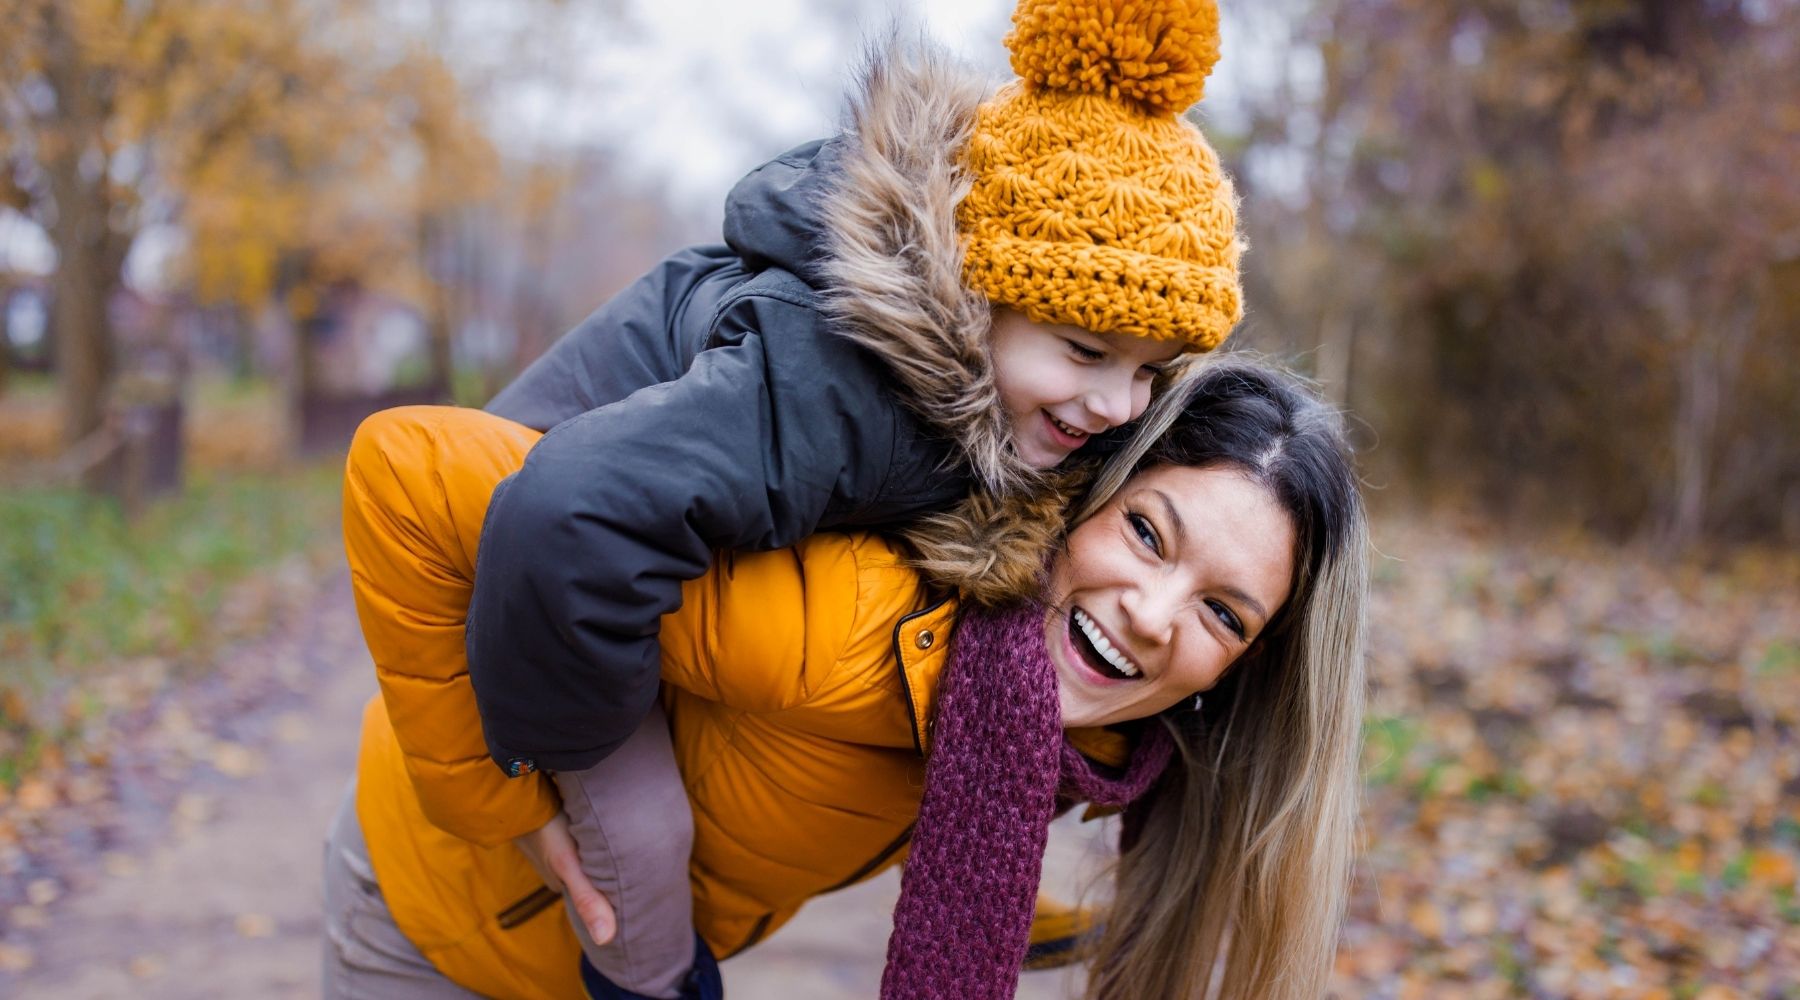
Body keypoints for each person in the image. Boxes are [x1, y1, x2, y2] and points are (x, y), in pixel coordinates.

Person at [396, 1, 1247, 995]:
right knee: (644, 832)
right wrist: (550, 772)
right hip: (532, 583)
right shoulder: (831, 392)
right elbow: (564, 516)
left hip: (600, 545)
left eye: (1151, 372)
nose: (1115, 404)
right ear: (974, 295)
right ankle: (655, 979)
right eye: (1088, 351)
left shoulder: (994, 399)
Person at [326, 359, 1369, 1000]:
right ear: (1081, 497)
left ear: (1244, 667)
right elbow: (412, 473)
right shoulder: (844, 624)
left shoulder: (1087, 732)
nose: (1152, 611)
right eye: (1147, 531)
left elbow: (944, 805)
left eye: (1221, 611)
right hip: (440, 919)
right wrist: (498, 804)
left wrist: (1006, 906)